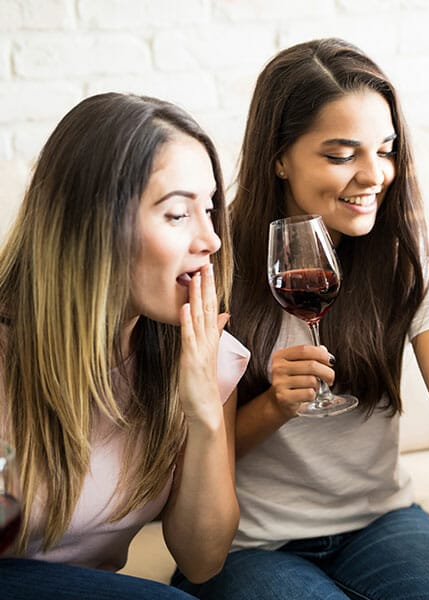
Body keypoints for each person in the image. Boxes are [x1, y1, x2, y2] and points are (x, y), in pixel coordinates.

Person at [172, 37, 429, 599]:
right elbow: (193, 450)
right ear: (279, 157)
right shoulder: (218, 262)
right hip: (253, 543)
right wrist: (275, 406)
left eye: (384, 150)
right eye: (341, 155)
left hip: (379, 520)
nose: (374, 175)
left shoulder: (407, 254)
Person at [0, 92, 250, 599]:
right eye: (178, 215)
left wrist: (203, 413)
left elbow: (202, 562)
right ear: (92, 225)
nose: (212, 240)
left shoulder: (205, 355)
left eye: (210, 208)